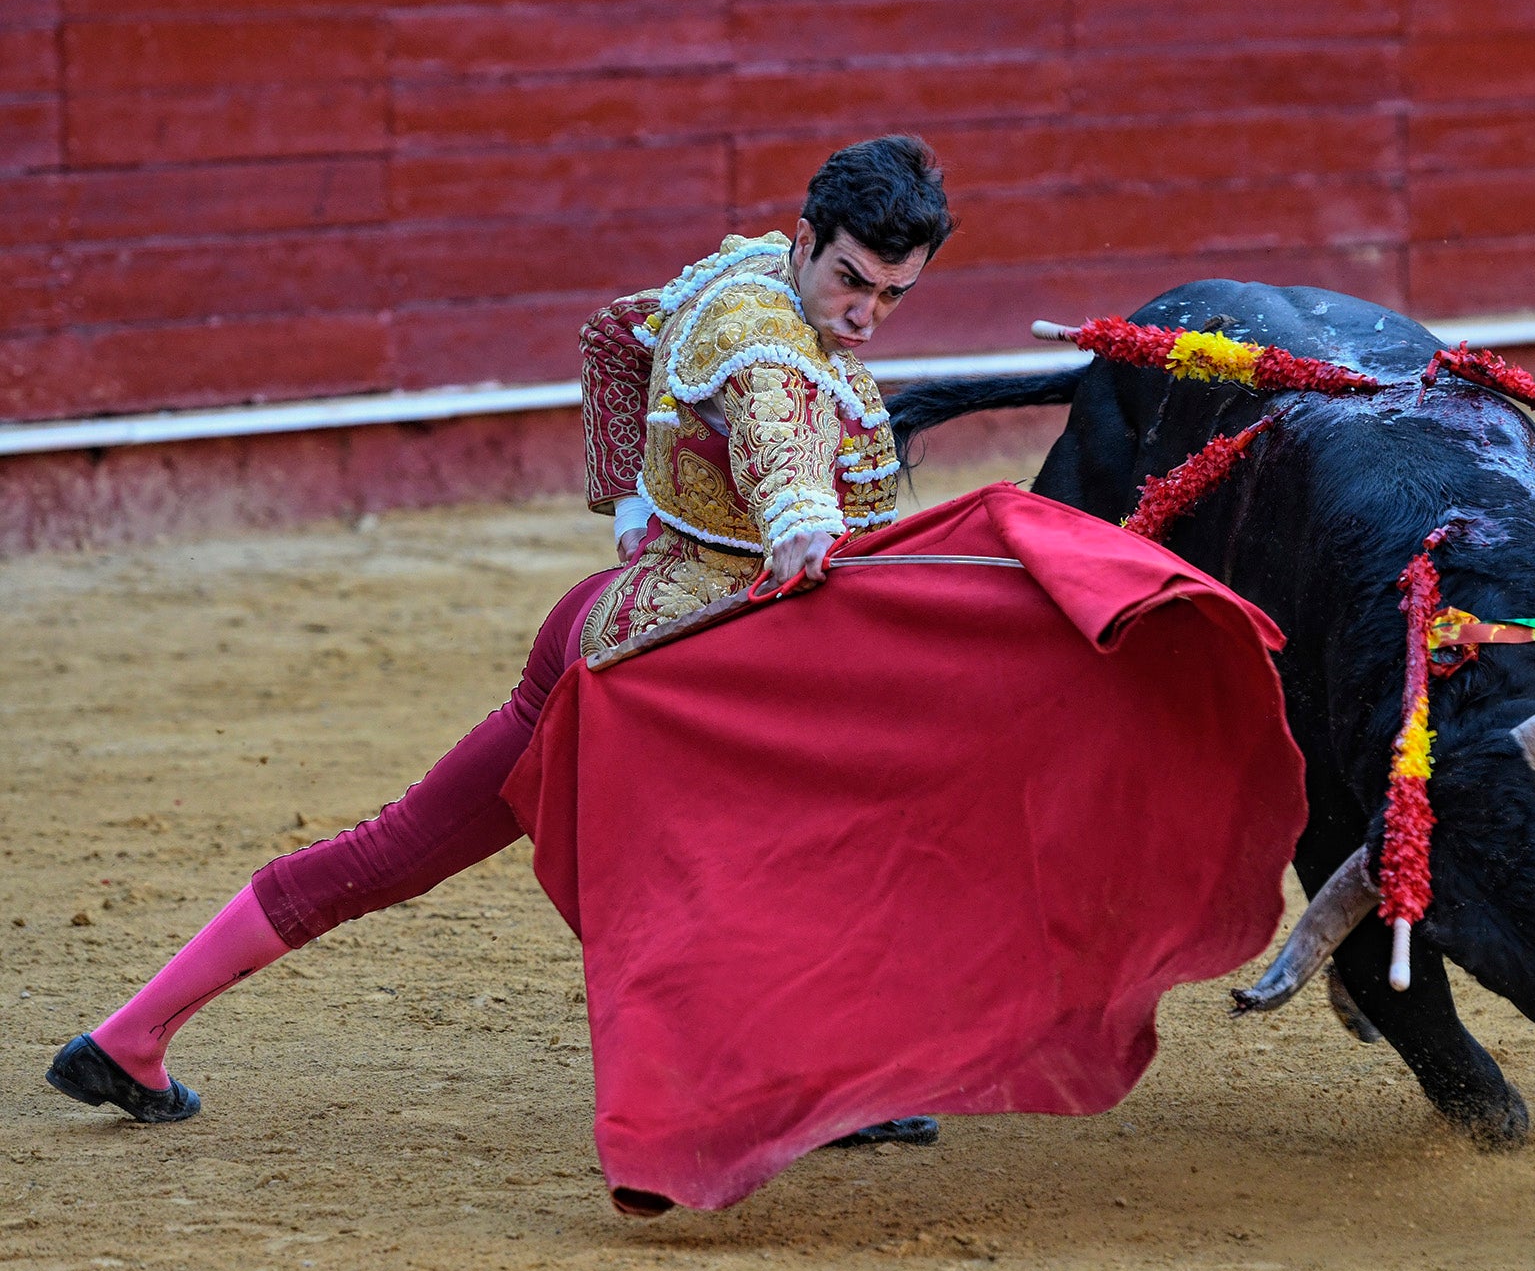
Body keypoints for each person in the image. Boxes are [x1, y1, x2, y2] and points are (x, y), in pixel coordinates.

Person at [47, 136, 955, 1150]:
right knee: (756, 864)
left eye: (892, 296)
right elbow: (783, 466)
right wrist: (798, 531)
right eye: (850, 282)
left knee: (398, 849)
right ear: (806, 241)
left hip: (614, 622)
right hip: (656, 672)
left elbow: (615, 338)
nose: (864, 317)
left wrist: (628, 513)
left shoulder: (744, 270)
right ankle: (793, 1083)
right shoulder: (767, 340)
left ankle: (128, 1038)